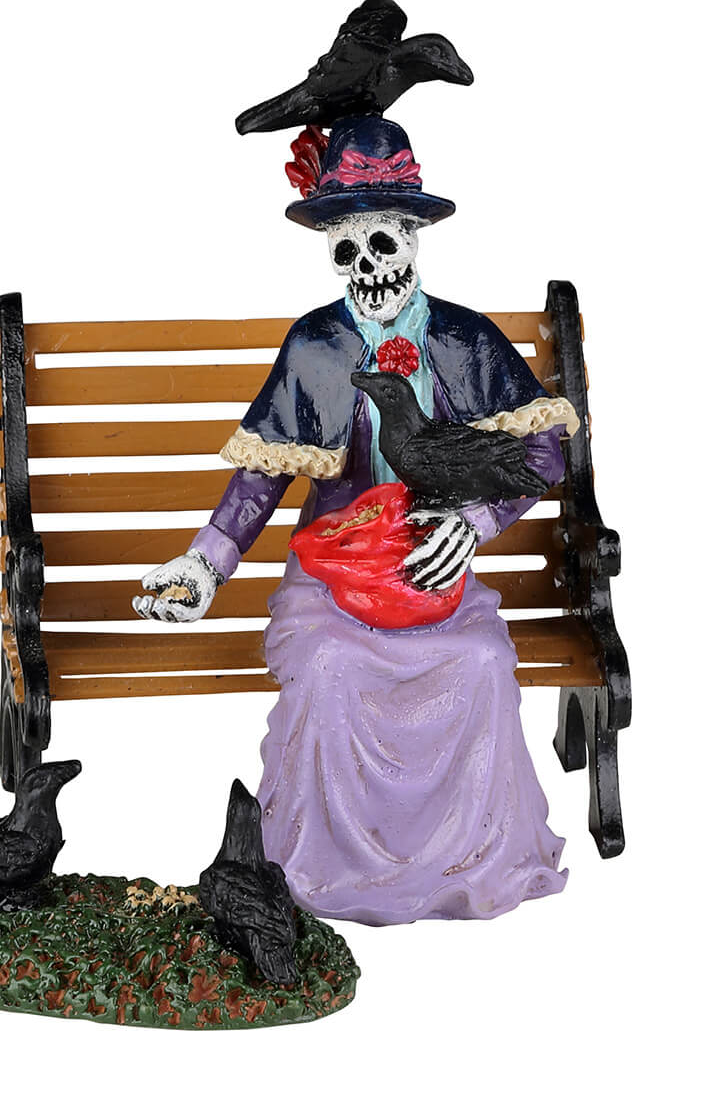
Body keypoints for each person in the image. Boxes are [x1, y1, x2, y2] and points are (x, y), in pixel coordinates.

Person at [133, 115, 578, 925]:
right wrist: (203, 564)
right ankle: (326, 864)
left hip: (429, 569)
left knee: (482, 662)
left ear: (413, 238)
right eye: (348, 250)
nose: (368, 269)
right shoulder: (314, 346)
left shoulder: (468, 340)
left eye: (382, 244)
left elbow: (543, 450)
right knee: (331, 667)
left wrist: (475, 522)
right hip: (334, 575)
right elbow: (263, 471)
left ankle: (470, 858)